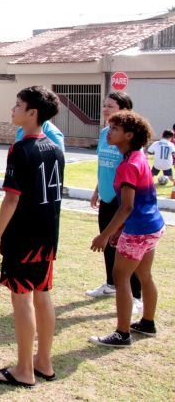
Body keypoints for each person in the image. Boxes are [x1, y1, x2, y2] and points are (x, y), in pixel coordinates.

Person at [0, 86, 65, 388]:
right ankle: (44, 362)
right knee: (42, 295)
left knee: (22, 300)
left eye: (18, 105)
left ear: (33, 113)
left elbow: (11, 198)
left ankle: (24, 370)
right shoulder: (55, 147)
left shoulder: (20, 149)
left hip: (24, 237)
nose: (13, 109)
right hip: (47, 235)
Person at [89, 111, 165, 347]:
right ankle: (147, 323)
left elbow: (127, 207)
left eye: (115, 129)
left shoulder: (128, 164)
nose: (109, 132)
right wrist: (120, 230)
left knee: (120, 277)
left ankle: (122, 334)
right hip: (152, 226)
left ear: (129, 135)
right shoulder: (138, 157)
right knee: (144, 275)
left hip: (139, 228)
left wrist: (105, 235)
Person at [87, 91, 142, 312]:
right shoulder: (104, 134)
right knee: (108, 243)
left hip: (123, 201)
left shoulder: (130, 139)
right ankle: (110, 284)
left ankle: (136, 296)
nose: (105, 109)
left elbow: (132, 172)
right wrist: (97, 190)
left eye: (110, 106)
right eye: (105, 105)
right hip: (107, 197)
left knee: (127, 248)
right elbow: (104, 165)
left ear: (124, 110)